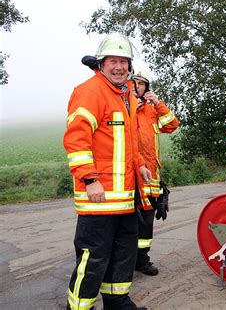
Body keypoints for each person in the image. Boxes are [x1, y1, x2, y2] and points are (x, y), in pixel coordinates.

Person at [63, 33, 151, 310]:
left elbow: (127, 143)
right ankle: (79, 307)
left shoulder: (124, 95)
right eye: (113, 61)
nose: (119, 67)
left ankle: (117, 302)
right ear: (101, 64)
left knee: (123, 255)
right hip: (99, 201)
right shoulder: (90, 91)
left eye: (124, 62)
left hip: (124, 200)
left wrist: (140, 165)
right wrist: (89, 179)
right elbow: (76, 140)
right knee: (94, 260)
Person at [132, 60, 179, 276]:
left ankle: (142, 260)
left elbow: (172, 124)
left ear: (146, 87)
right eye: (134, 82)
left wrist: (158, 103)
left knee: (147, 223)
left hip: (151, 177)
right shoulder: (124, 108)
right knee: (129, 223)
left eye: (141, 83)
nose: (137, 86)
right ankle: (126, 262)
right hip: (131, 177)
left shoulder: (152, 111)